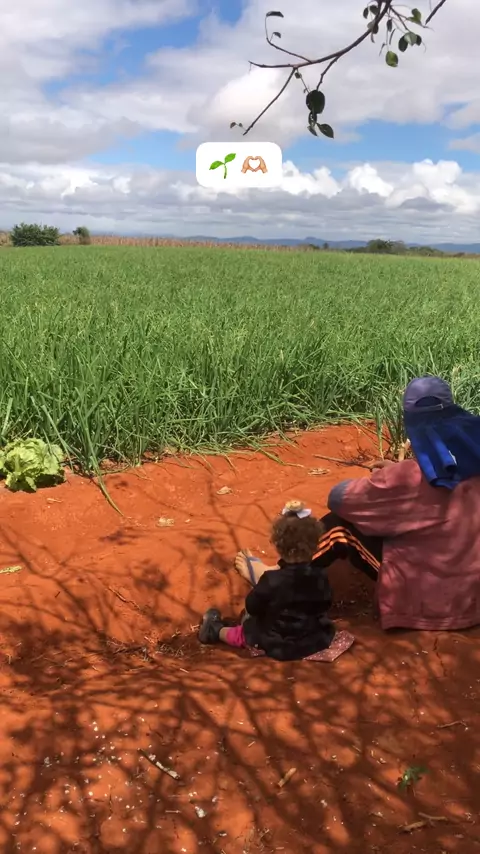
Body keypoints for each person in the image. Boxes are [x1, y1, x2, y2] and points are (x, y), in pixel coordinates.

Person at [237, 377, 480, 632]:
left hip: (426, 601)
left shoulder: (407, 478)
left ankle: (277, 575)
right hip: (471, 597)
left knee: (339, 526)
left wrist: (386, 479)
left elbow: (339, 499)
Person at [198, 500, 335, 660]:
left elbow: (252, 606)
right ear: (315, 544)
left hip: (277, 644)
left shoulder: (271, 580)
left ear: (278, 545)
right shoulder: (320, 575)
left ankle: (215, 630)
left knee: (246, 632)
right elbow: (326, 603)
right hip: (313, 641)